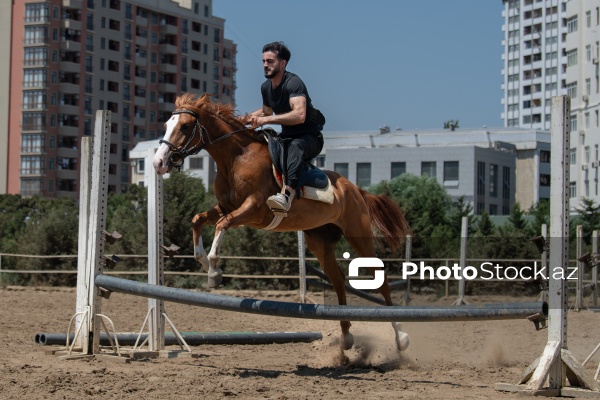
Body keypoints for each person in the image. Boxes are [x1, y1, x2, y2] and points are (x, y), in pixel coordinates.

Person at [248, 41, 325, 214]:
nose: (265, 65)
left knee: (296, 146)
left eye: (270, 61)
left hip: (309, 138)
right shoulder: (266, 87)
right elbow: (266, 111)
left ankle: (287, 194)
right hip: (287, 136)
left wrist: (265, 120)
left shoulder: (294, 83)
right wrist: (243, 119)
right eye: (264, 61)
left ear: (283, 63)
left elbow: (299, 115)